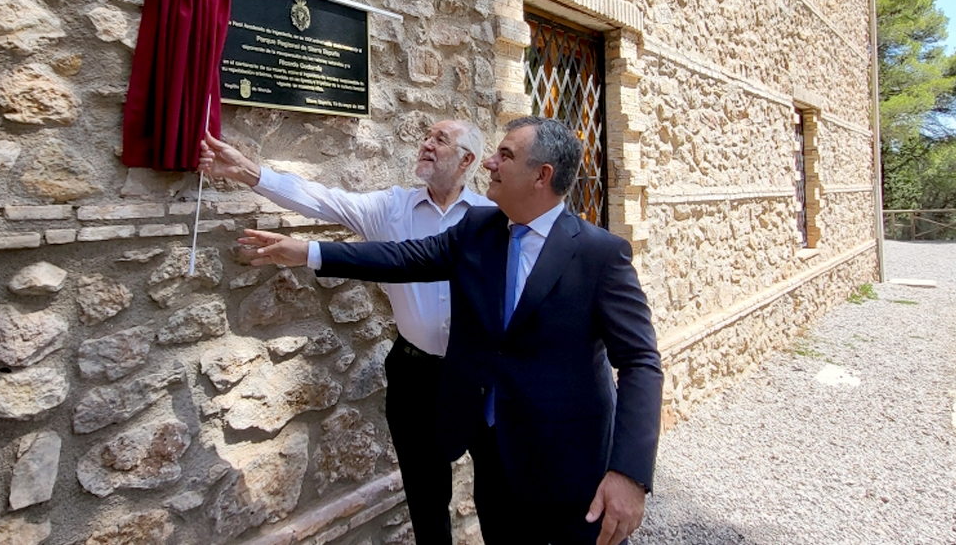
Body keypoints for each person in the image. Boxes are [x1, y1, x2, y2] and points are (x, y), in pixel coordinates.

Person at [239, 116, 663, 545]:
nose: (489, 164)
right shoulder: (478, 231)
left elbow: (641, 362)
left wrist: (628, 472)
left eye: (505, 155)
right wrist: (309, 252)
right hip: (498, 460)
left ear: (542, 176)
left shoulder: (599, 254)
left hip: (571, 467)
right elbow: (403, 258)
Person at [198, 120, 493, 545]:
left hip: (479, 377)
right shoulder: (392, 209)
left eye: (440, 140)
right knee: (428, 506)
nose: (426, 144)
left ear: (467, 159)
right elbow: (323, 200)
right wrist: (248, 170)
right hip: (416, 378)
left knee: (499, 498)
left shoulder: (490, 219)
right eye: (425, 136)